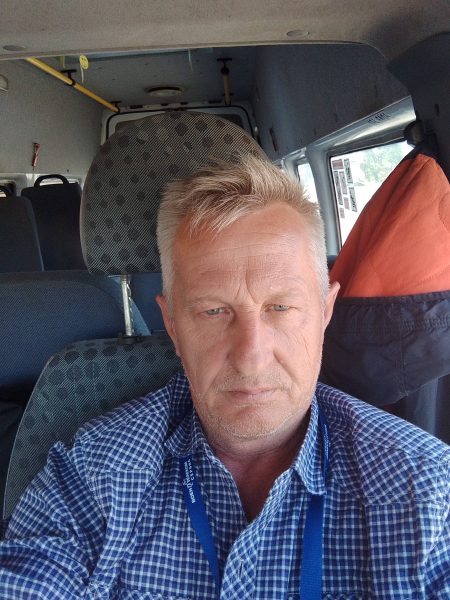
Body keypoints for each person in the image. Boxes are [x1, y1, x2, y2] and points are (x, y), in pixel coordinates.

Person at [0, 155, 449, 598]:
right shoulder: (92, 476)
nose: (251, 358)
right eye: (214, 311)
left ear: (324, 312)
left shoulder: (427, 494)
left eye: (280, 307)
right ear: (172, 325)